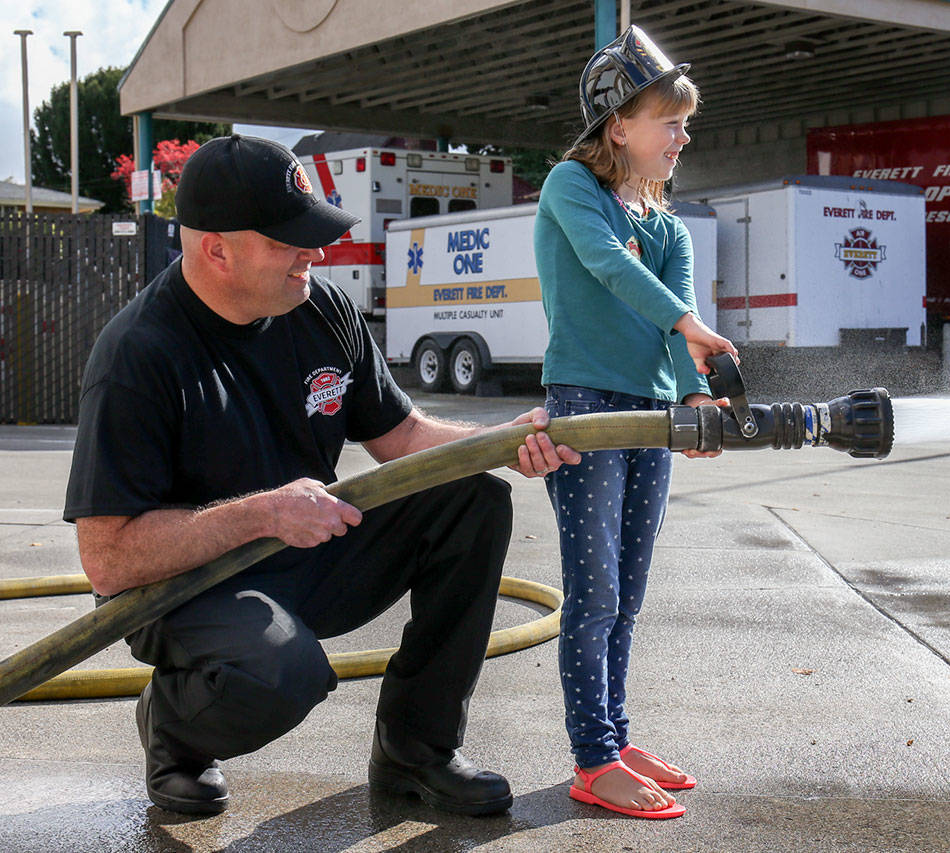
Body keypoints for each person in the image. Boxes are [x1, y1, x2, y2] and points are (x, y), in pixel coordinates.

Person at [62, 134, 580, 817]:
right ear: (217, 250)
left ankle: (416, 750)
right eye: (290, 239)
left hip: (304, 545)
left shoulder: (321, 309)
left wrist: (499, 442)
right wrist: (263, 513)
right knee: (282, 671)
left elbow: (400, 436)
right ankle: (174, 729)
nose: (316, 251)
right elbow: (108, 559)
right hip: (188, 591)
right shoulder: (138, 356)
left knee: (472, 498)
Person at [533, 26, 738, 819]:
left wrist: (694, 397)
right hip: (584, 402)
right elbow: (609, 269)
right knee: (594, 592)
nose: (683, 136)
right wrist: (689, 324)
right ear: (619, 125)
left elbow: (675, 332)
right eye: (670, 120)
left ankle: (615, 738)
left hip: (650, 413)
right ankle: (592, 759)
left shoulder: (670, 225)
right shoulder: (569, 187)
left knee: (630, 591)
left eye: (686, 122)